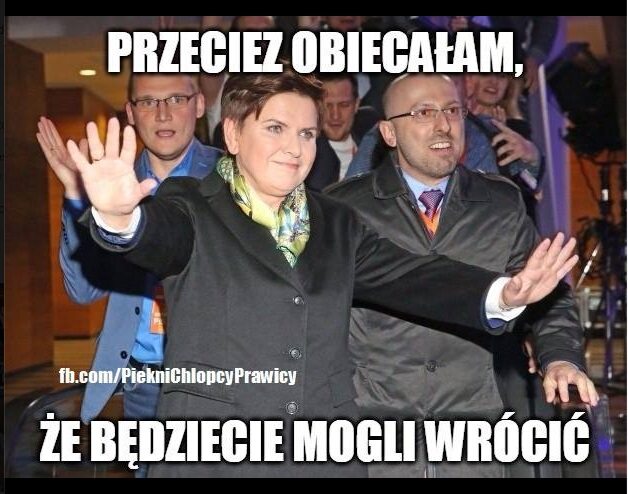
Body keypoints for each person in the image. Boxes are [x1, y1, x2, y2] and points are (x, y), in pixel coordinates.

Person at [67, 67, 577, 478]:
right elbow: (157, 235)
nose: (295, 147)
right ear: (233, 133)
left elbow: (415, 276)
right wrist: (120, 218)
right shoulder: (192, 206)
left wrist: (503, 294)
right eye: (275, 128)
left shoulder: (335, 220)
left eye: (307, 133)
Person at [326, 73, 597, 477]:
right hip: (374, 434)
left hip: (473, 435)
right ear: (388, 133)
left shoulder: (500, 203)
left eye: (453, 111)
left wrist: (558, 357)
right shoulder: (344, 208)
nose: (443, 125)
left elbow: (546, 296)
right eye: (423, 113)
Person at [36, 73, 222, 476]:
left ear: (199, 105)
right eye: (148, 102)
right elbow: (83, 291)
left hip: (217, 386)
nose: (163, 113)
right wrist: (77, 195)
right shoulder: (114, 179)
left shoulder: (232, 176)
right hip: (142, 387)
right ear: (131, 113)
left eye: (176, 99)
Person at [305, 73, 379, 191]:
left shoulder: (371, 127)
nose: (335, 115)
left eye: (344, 105)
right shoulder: (307, 149)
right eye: (327, 105)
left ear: (356, 104)